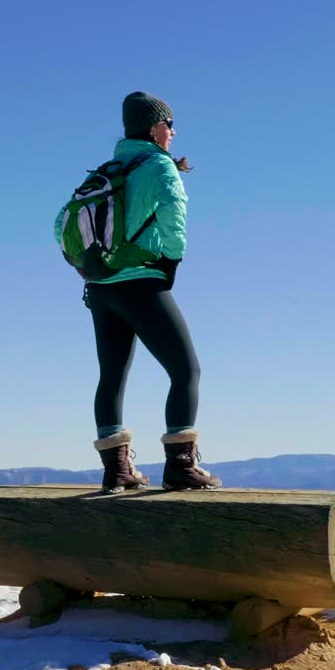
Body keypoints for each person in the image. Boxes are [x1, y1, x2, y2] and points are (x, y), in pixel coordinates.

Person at [70, 91, 222, 493]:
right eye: (170, 125)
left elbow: (60, 227)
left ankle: (117, 471)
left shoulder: (105, 170)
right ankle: (180, 467)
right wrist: (171, 261)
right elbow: (174, 211)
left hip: (100, 289)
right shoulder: (157, 165)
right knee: (186, 370)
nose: (173, 133)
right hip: (141, 281)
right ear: (155, 128)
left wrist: (91, 267)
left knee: (112, 376)